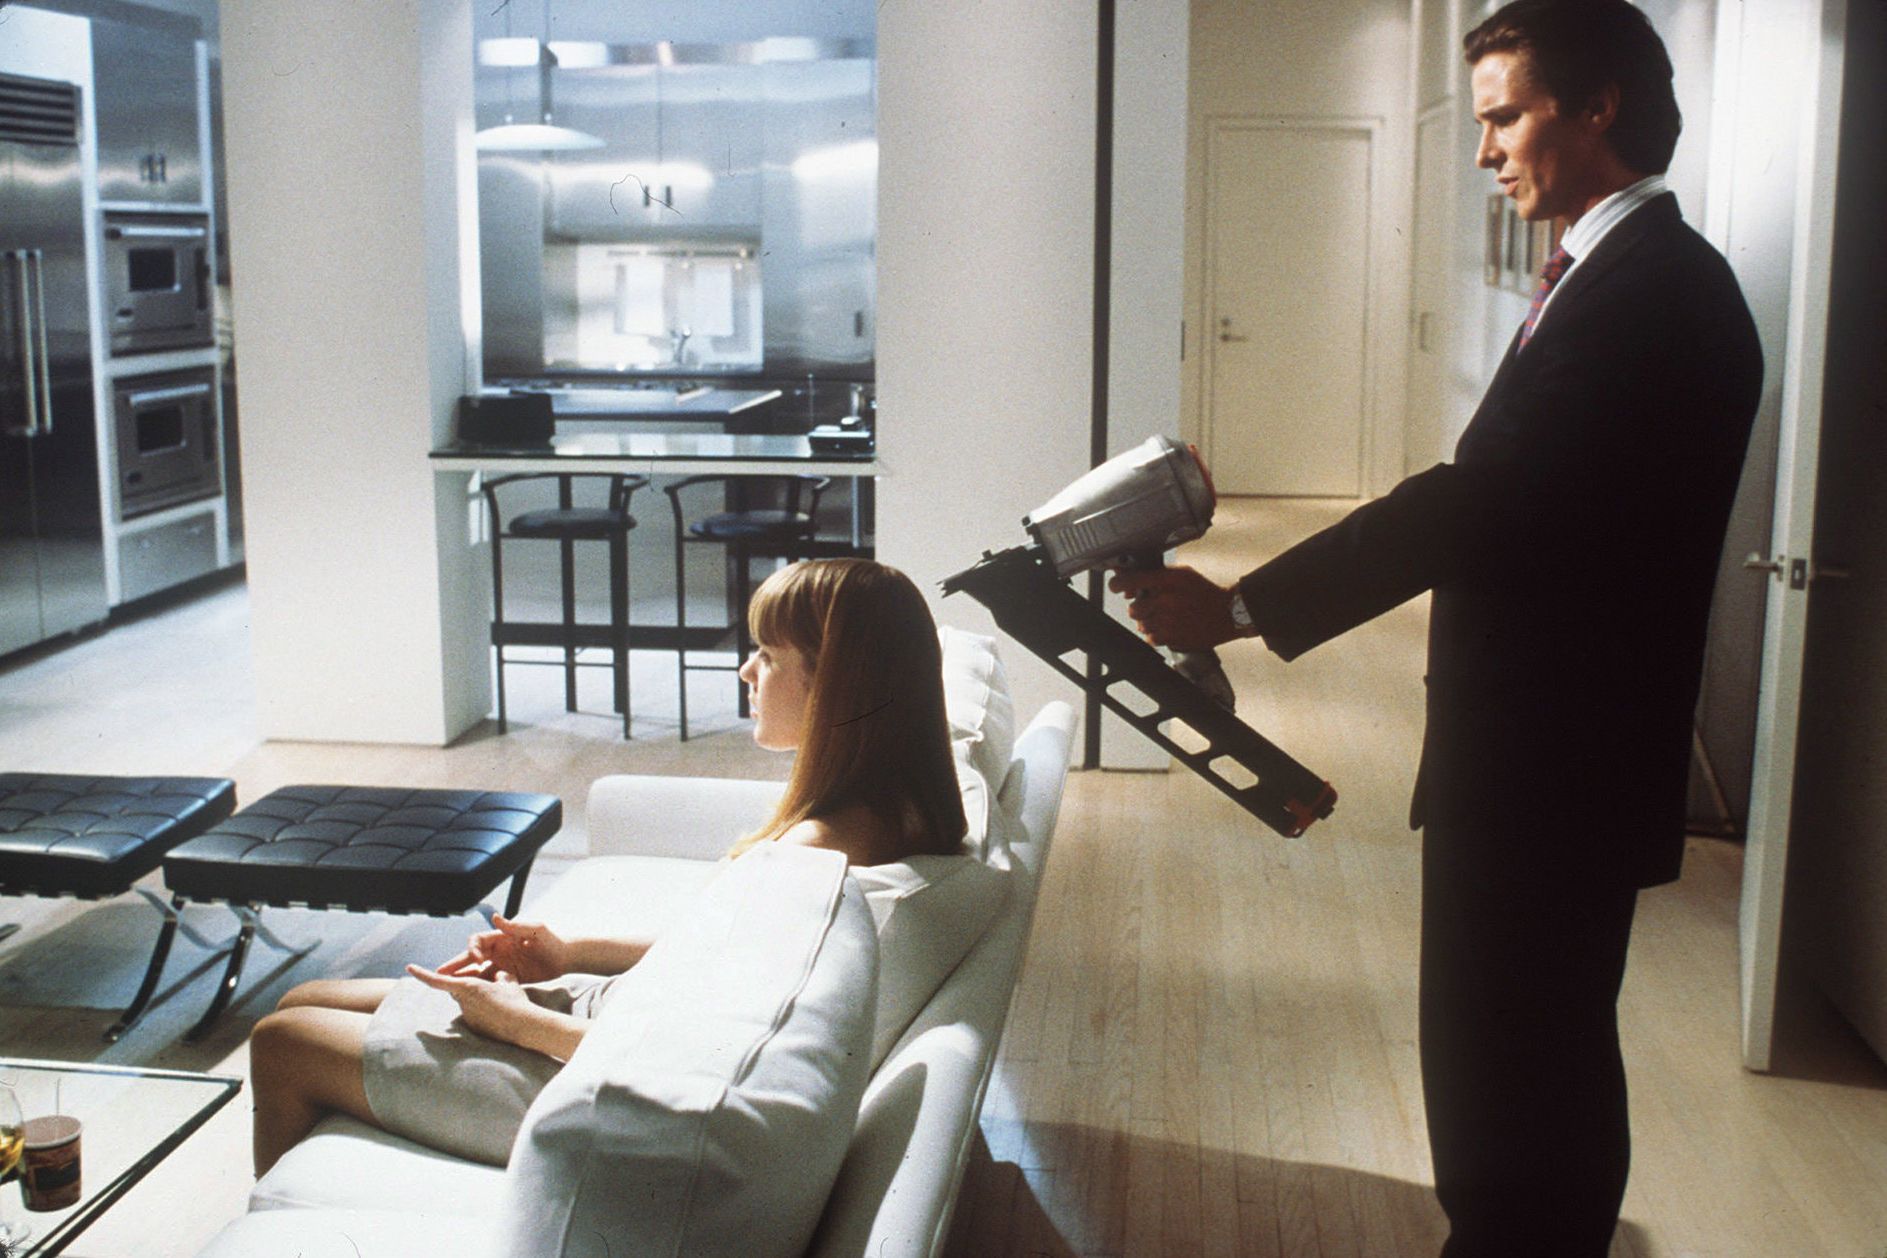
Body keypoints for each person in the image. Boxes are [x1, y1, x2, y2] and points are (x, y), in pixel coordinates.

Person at [1111, 2, 1762, 1253]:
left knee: (1515, 1055)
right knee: (1527, 1049)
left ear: (1598, 106)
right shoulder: (1622, 276)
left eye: (1505, 118)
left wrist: (1240, 606)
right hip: (1549, 754)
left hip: (1555, 764)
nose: (1484, 152)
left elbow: (1480, 500)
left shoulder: (1649, 292)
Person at [246, 558, 967, 1176]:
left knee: (283, 1041)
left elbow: (705, 1060)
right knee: (307, 995)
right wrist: (566, 953)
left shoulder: (812, 857)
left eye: (769, 656)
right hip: (621, 1021)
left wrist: (518, 1023)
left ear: (835, 684)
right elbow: (718, 960)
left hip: (607, 1075)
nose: (746, 669)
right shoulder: (890, 812)